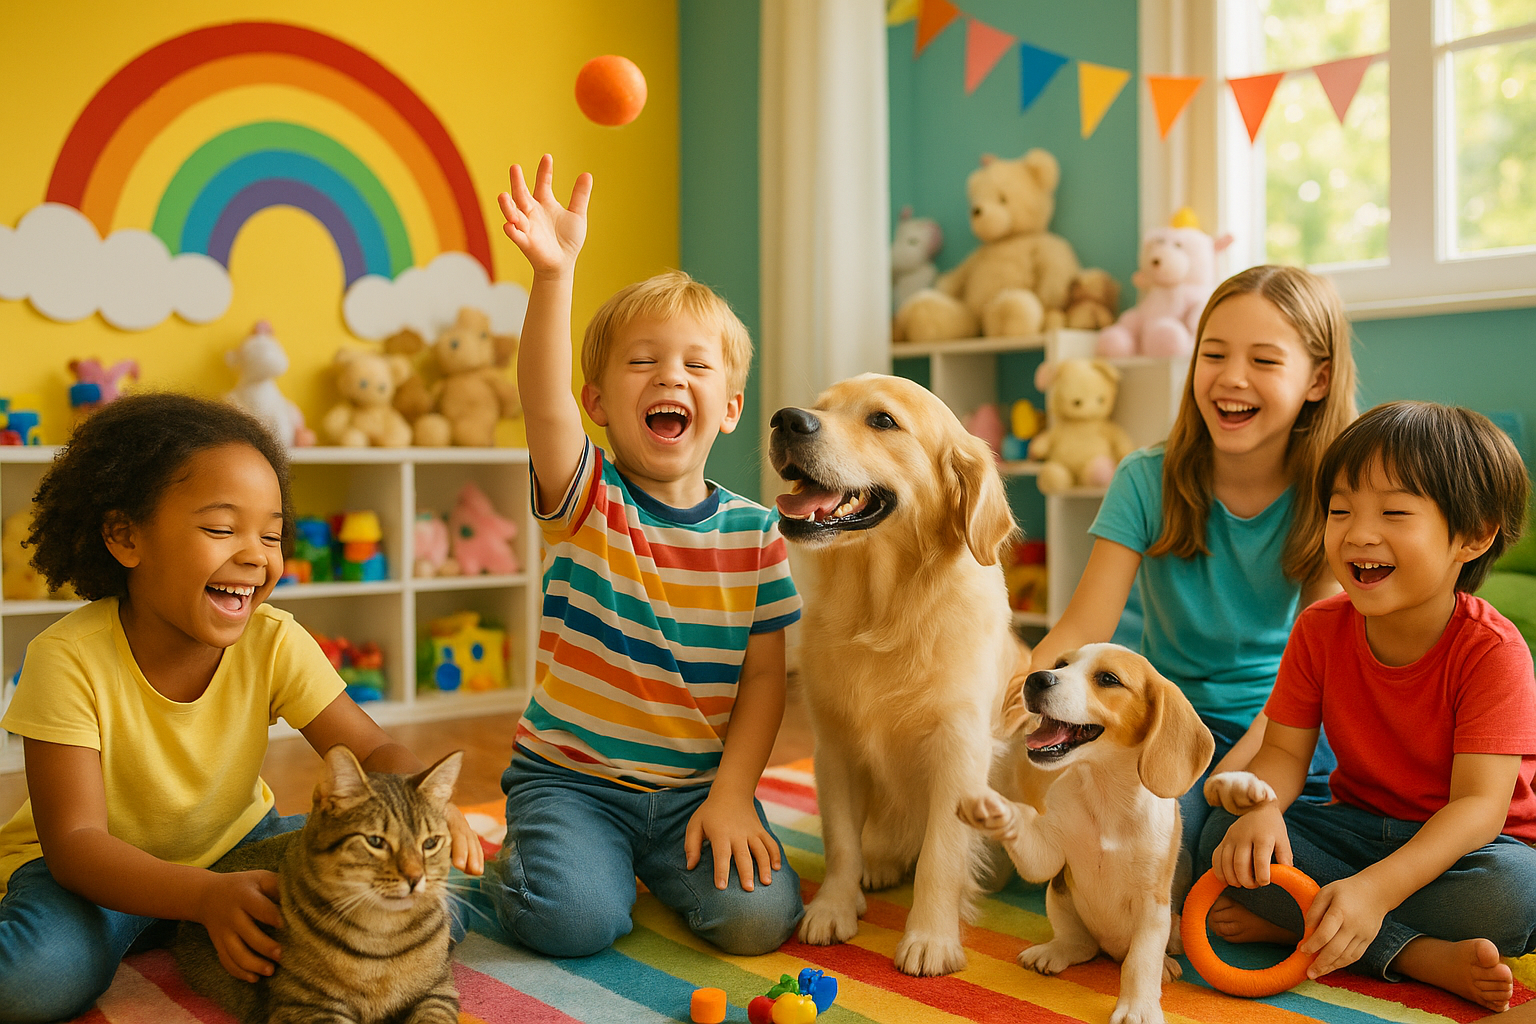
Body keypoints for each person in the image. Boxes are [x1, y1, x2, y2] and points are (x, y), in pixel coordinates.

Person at [0, 393, 484, 1024]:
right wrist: (202, 897)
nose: (257, 554)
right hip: (95, 880)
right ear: (125, 537)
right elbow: (77, 845)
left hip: (234, 847)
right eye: (222, 529)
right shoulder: (65, 658)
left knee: (440, 902)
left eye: (273, 534)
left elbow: (371, 751)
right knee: (31, 981)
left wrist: (431, 810)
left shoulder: (274, 638)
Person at [480, 154, 804, 958]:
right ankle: (532, 865)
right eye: (642, 362)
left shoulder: (758, 532)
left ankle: (637, 864)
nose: (670, 376)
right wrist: (555, 275)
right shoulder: (587, 495)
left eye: (696, 366)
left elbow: (766, 680)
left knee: (758, 921)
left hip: (695, 789)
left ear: (728, 409)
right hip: (572, 783)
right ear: (597, 404)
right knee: (572, 921)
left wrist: (732, 798)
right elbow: (540, 398)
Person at [1027, 264, 1358, 895]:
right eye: (1214, 354)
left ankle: (1372, 925)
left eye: (1264, 360)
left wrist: (1235, 772)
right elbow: (1082, 627)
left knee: (1213, 841)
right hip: (1172, 719)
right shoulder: (1144, 479)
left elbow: (1314, 664)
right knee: (1144, 839)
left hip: (1286, 726)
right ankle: (1269, 902)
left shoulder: (1329, 493)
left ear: (1317, 379)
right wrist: (1019, 701)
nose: (1232, 378)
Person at [1200, 401, 1536, 1010]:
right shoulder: (1318, 629)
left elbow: (1480, 809)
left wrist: (1376, 891)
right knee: (1224, 834)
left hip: (1469, 850)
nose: (1358, 533)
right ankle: (1411, 953)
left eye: (1395, 512)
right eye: (1340, 510)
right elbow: (1281, 751)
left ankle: (1309, 922)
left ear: (1474, 534)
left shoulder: (1494, 652)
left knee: (1516, 895)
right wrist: (1264, 809)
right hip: (1355, 825)